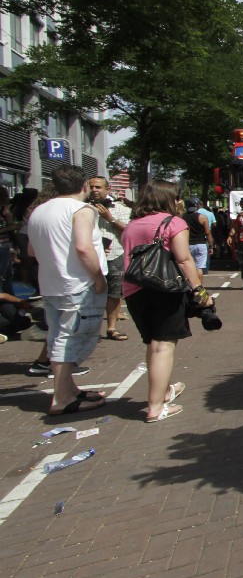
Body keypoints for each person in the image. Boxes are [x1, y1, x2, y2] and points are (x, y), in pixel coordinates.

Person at [121, 179, 211, 422]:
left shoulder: (132, 224)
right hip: (164, 288)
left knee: (152, 343)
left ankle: (164, 391)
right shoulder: (174, 223)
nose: (179, 202)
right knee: (164, 345)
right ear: (168, 199)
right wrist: (199, 291)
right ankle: (156, 406)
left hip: (134, 290)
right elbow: (184, 259)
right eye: (176, 197)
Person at [26, 165, 108, 416]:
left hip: (51, 284)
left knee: (57, 336)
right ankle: (62, 398)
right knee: (72, 338)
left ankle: (69, 389)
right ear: (84, 186)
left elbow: (31, 250)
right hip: (78, 284)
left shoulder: (39, 211)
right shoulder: (82, 210)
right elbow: (84, 247)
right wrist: (98, 278)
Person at [87, 176, 132, 341]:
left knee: (114, 293)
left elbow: (128, 231)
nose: (94, 190)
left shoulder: (121, 209)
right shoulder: (82, 208)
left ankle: (111, 328)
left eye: (98, 187)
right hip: (89, 257)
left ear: (107, 189)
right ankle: (90, 329)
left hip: (115, 255)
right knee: (89, 294)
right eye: (91, 187)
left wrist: (109, 218)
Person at [182, 198, 215, 277]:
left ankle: (190, 282)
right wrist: (211, 245)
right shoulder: (202, 217)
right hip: (200, 243)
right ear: (197, 206)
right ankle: (199, 283)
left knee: (189, 266)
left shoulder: (182, 217)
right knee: (199, 267)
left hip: (187, 244)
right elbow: (207, 232)